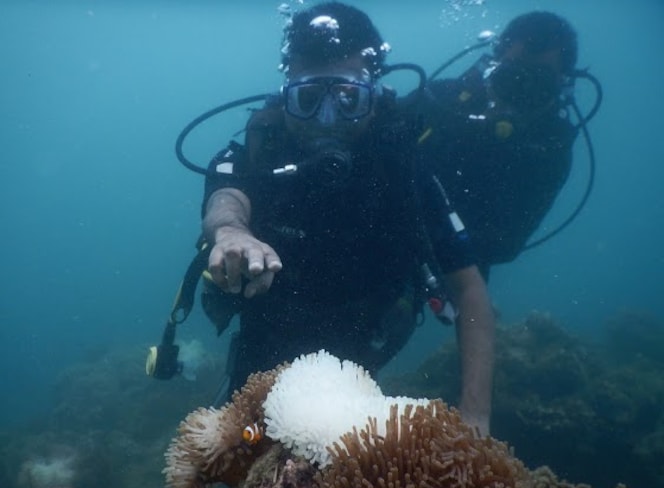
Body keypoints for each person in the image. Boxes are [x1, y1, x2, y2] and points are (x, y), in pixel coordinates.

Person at [200, 2, 495, 435]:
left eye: (347, 98)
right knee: (242, 451)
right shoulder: (260, 152)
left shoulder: (405, 167)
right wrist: (230, 232)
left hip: (369, 341)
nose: (326, 118)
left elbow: (469, 290)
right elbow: (227, 196)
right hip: (270, 340)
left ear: (374, 98)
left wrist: (475, 416)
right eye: (308, 98)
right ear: (285, 98)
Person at [411, 11, 580, 276]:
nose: (520, 96)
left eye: (539, 85)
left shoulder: (550, 150)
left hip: (456, 268)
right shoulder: (441, 101)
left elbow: (505, 247)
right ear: (492, 66)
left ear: (562, 86)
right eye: (511, 78)